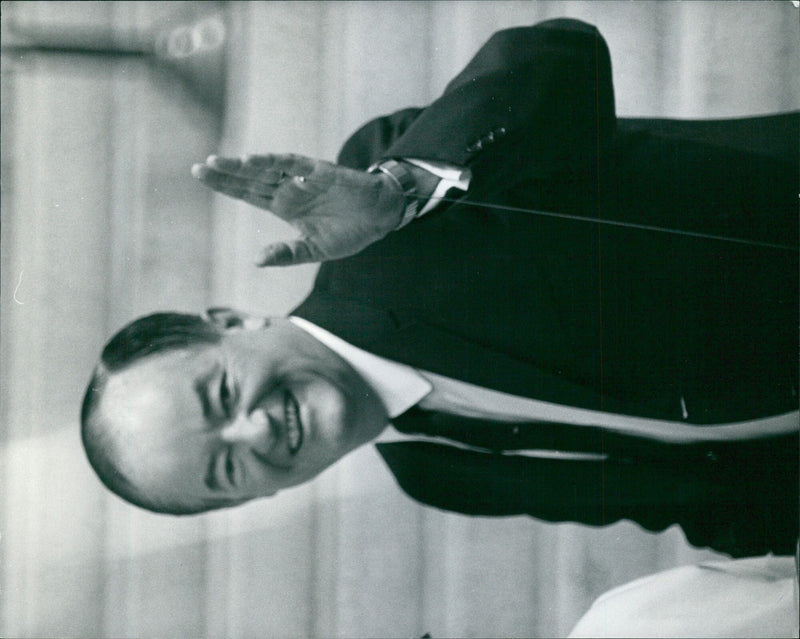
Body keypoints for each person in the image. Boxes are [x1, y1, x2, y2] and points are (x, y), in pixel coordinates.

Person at [81, 19, 799, 557]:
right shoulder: (438, 474)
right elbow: (703, 495)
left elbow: (564, 62)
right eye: (227, 465)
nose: (257, 429)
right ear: (254, 497)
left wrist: (406, 187)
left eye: (221, 396)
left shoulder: (389, 217)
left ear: (231, 320)